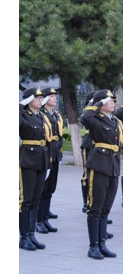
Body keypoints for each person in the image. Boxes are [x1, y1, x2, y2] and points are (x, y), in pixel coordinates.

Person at [80, 89, 123, 260]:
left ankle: (102, 244)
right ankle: (93, 246)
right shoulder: (95, 119)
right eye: (108, 100)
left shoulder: (115, 121)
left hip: (113, 165)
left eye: (113, 100)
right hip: (99, 165)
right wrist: (98, 103)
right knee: (95, 207)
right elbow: (85, 117)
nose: (113, 102)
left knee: (106, 208)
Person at [19, 87, 49, 251]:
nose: (40, 100)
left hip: (41, 160)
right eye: (36, 98)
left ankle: (31, 235)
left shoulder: (40, 116)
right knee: (26, 200)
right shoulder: (23, 115)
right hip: (28, 160)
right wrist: (19, 105)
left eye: (41, 98)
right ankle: (24, 237)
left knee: (36, 199)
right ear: (29, 100)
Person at [36, 87, 64, 234]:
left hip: (55, 155)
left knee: (50, 189)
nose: (55, 98)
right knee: (42, 189)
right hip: (46, 155)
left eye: (55, 96)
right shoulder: (41, 114)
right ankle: (38, 220)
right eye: (51, 96)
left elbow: (59, 136)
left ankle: (45, 218)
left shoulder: (56, 115)